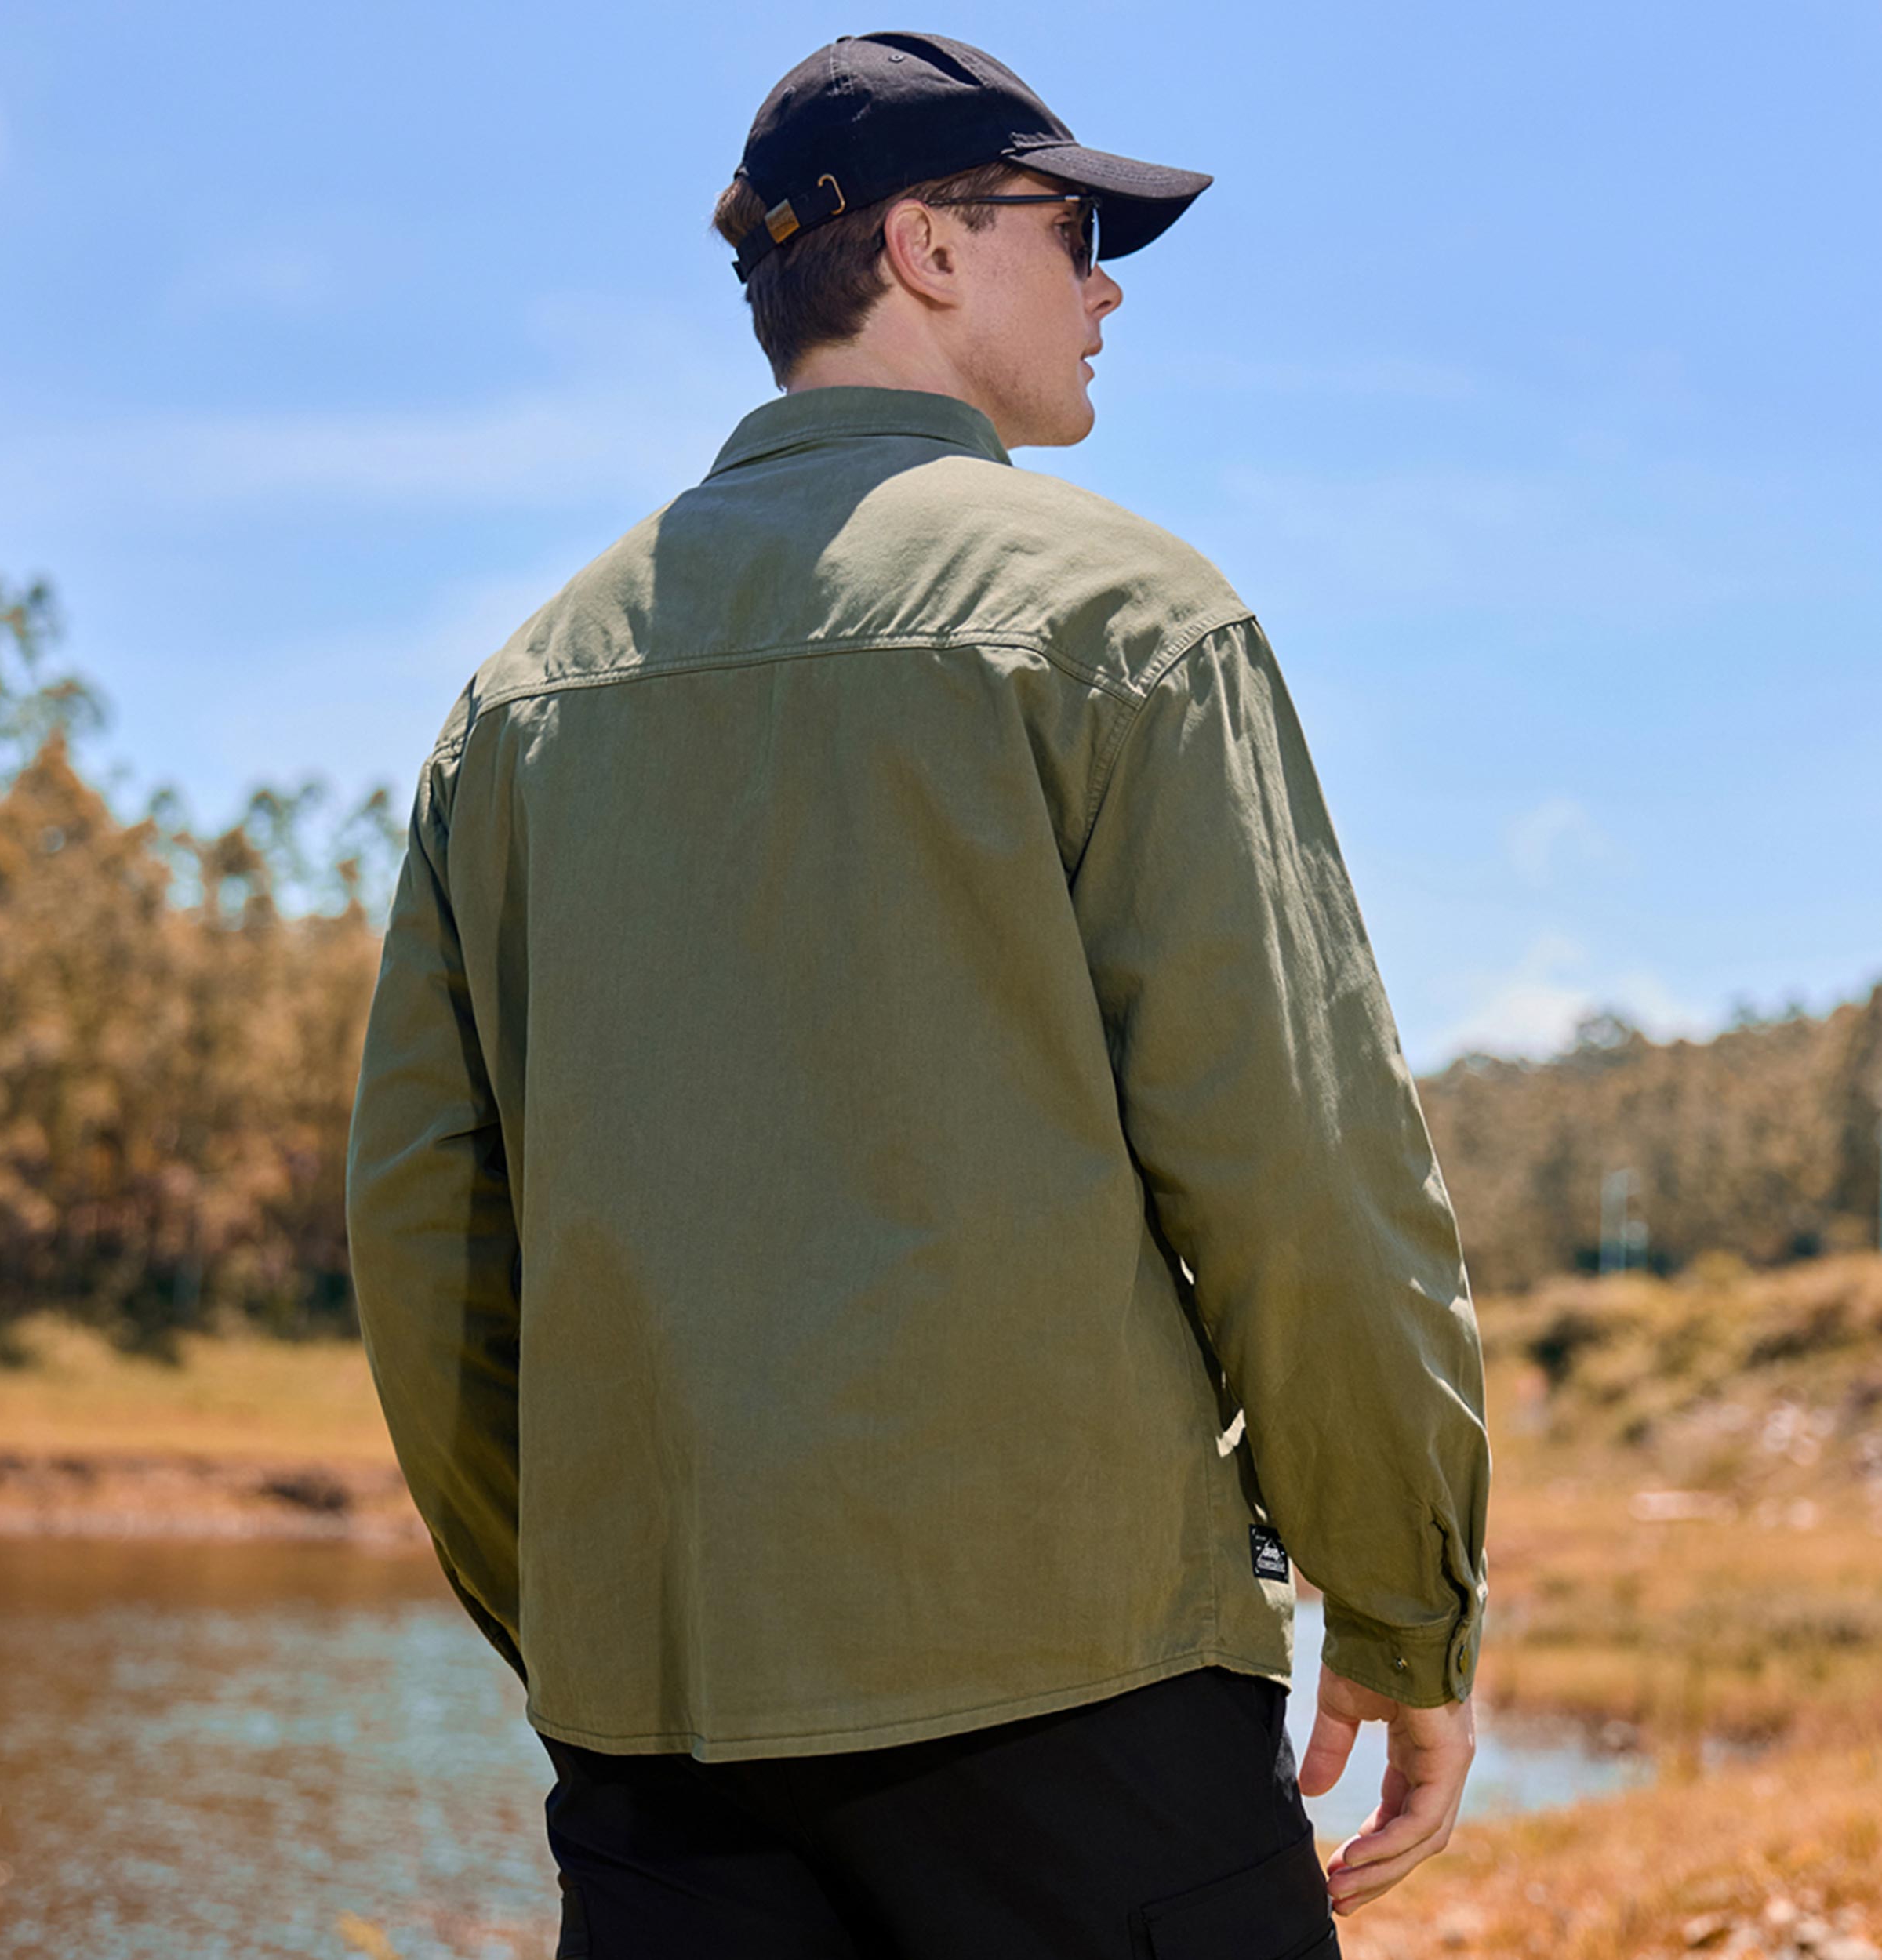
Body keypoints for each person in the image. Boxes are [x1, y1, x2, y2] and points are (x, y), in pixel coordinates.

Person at [344, 28, 1491, 1960]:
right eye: (1075, 231)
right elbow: (1293, 1166)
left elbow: (421, 1234)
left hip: (663, 1744)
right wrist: (1401, 1600)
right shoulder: (1125, 622)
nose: (1108, 288)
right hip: (1080, 1708)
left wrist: (595, 1626)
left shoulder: (520, 696)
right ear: (927, 249)